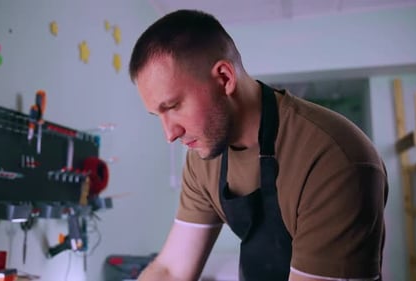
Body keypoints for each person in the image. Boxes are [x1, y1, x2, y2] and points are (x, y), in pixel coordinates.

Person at [128, 9, 388, 281]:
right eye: (159, 115)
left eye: (173, 106)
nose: (169, 134)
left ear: (225, 79)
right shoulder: (202, 158)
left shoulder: (334, 159)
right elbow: (170, 271)